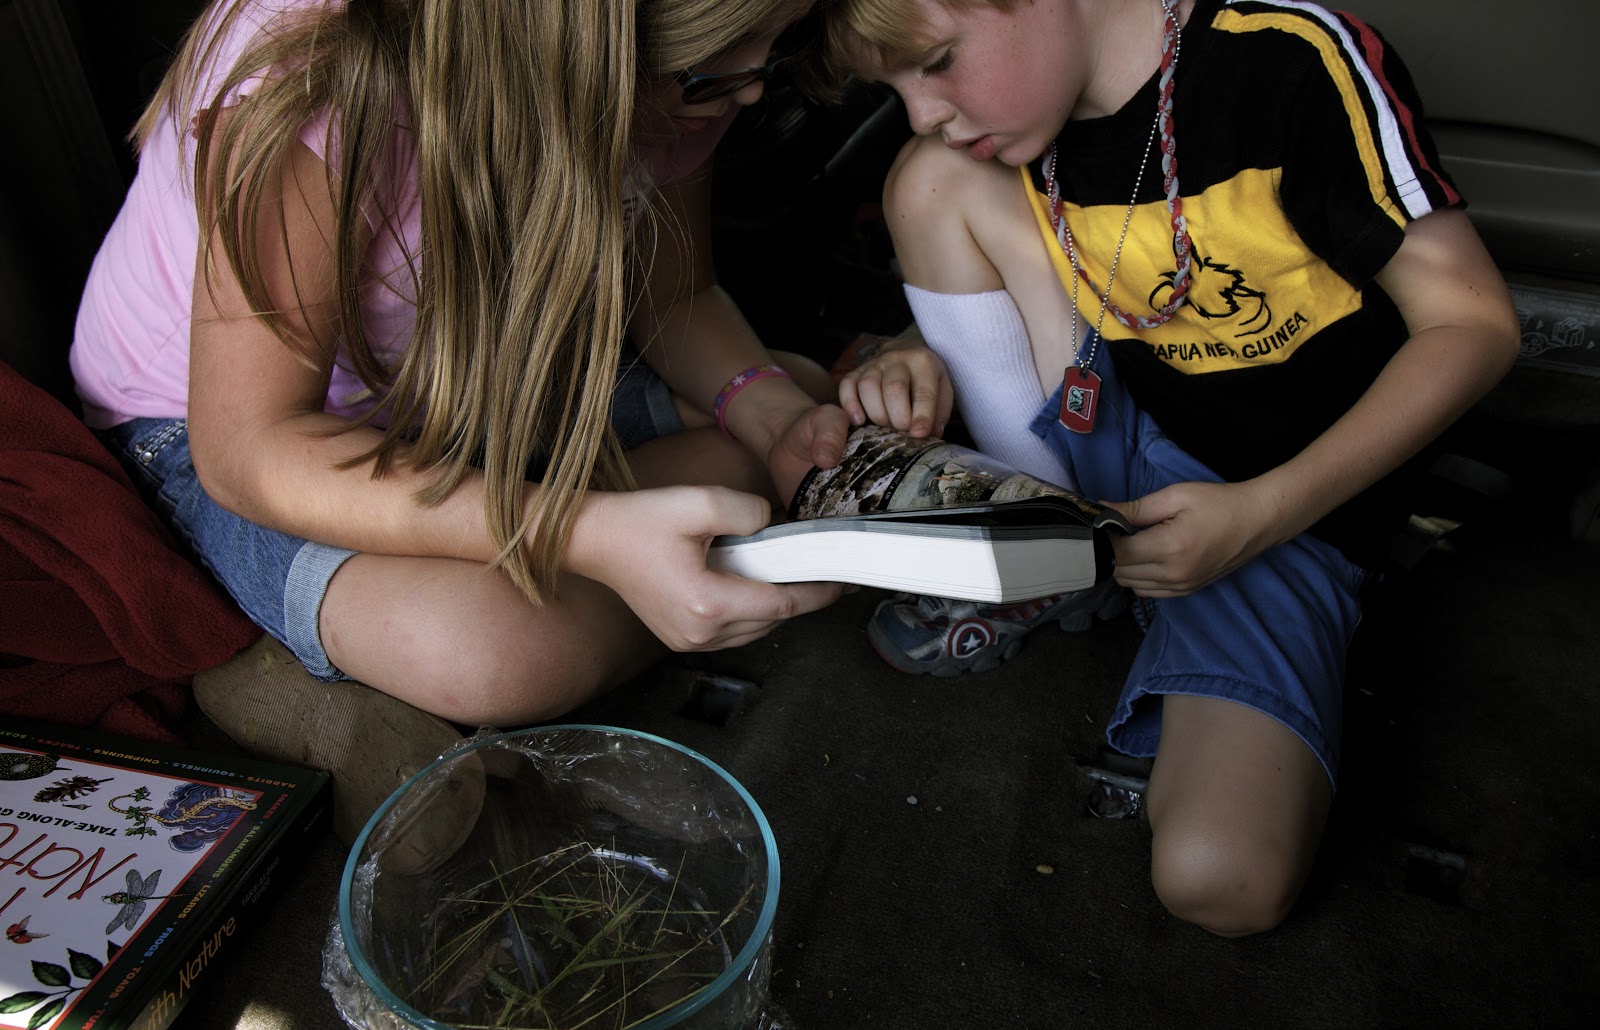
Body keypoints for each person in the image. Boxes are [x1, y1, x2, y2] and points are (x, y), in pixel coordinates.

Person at [818, 0, 1520, 935]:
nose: (922, 111)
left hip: (1277, 505)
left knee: (1217, 876)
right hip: (1115, 427)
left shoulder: (1289, 63)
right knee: (928, 179)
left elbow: (1475, 325)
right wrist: (925, 342)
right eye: (894, 85)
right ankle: (1047, 556)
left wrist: (1259, 516)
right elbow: (1072, 274)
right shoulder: (1017, 116)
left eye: (937, 61)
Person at [70, 0, 849, 836]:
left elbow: (677, 298)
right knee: (494, 650)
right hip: (223, 431)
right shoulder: (320, 77)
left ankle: (601, 551)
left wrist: (769, 413)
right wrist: (580, 530)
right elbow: (249, 448)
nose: (753, 87)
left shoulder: (697, 82)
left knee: (796, 398)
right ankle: (348, 642)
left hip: (465, 380)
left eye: (777, 43)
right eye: (713, 62)